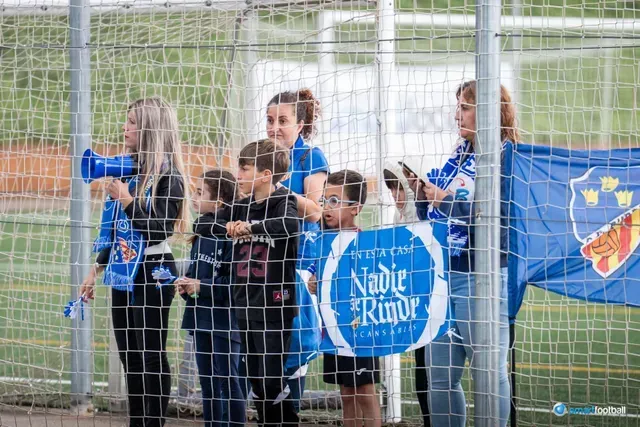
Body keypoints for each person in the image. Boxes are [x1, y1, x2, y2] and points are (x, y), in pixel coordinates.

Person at [415, 80, 518, 427]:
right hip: (444, 275)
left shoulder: (507, 156)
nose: (457, 114)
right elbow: (438, 214)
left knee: (489, 374)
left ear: (490, 112)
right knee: (440, 379)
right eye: (457, 105)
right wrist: (420, 195)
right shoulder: (459, 155)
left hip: (483, 276)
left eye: (466, 107)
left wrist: (446, 201)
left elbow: (500, 220)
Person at [80, 97, 188, 427]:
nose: (124, 127)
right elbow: (116, 233)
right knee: (130, 356)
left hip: (154, 272)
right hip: (124, 271)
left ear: (150, 129)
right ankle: (137, 421)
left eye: (131, 122)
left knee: (150, 354)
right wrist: (95, 269)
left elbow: (157, 231)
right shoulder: (129, 169)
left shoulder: (171, 178)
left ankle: (154, 422)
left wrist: (126, 200)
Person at [196, 139, 300, 426]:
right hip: (246, 303)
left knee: (270, 379)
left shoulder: (284, 201)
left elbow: (290, 225)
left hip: (275, 305)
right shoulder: (241, 207)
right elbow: (201, 224)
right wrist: (228, 227)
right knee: (255, 379)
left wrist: (251, 228)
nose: (238, 174)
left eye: (244, 168)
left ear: (265, 175)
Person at [266, 89, 329, 411]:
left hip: (299, 263)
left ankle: (288, 408)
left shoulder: (310, 157)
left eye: (283, 121)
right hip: (264, 261)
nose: (274, 127)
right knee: (264, 344)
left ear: (301, 124)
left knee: (293, 344)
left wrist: (275, 190)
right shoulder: (262, 157)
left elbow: (316, 211)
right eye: (269, 120)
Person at [308, 169, 382, 427]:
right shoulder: (322, 242)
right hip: (334, 328)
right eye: (325, 200)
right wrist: (315, 282)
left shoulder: (366, 242)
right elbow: (318, 279)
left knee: (364, 389)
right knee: (346, 392)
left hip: (361, 330)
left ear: (355, 208)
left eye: (335, 201)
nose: (327, 208)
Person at [175, 169, 246, 427]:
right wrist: (186, 288)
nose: (194, 197)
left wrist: (201, 287)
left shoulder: (233, 235)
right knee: (207, 384)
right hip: (200, 317)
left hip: (226, 322)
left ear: (218, 202)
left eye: (200, 192)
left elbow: (235, 287)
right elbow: (197, 275)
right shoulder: (202, 233)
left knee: (228, 380)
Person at [382, 159, 431, 426]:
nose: (394, 195)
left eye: (398, 188)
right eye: (390, 189)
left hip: (429, 300)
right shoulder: (396, 216)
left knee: (431, 370)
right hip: (412, 303)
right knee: (420, 370)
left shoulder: (421, 214)